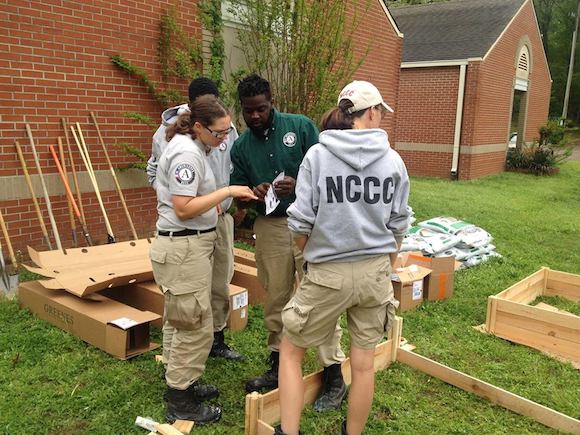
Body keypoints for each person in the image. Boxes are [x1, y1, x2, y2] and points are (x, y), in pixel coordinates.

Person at [277, 81, 410, 435]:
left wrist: (306, 258)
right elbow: (399, 223)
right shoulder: (393, 161)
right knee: (363, 364)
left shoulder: (317, 157)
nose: (381, 117)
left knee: (291, 351)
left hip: (327, 272)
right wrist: (388, 264)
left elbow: (300, 221)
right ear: (369, 113)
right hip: (374, 273)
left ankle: (288, 432)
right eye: (380, 111)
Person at [231, 74, 347, 411]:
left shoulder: (301, 127)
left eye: (261, 109)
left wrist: (299, 183)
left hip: (311, 225)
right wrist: (253, 194)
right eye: (248, 111)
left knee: (321, 295)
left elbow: (329, 172)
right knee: (277, 295)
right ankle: (278, 363)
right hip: (270, 227)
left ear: (272, 102)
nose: (255, 117)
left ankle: (333, 373)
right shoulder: (241, 147)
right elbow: (238, 194)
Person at [150, 95, 256, 424]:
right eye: (220, 133)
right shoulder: (186, 154)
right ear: (199, 127)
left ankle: (180, 380)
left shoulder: (195, 147)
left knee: (181, 318)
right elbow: (183, 207)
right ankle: (180, 398)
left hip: (187, 247)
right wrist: (228, 192)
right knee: (194, 324)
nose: (224, 139)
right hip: (184, 250)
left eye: (227, 132)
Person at [148, 77, 244, 362]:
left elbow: (233, 164)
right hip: (186, 230)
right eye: (219, 134)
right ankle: (180, 380)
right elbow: (177, 198)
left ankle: (214, 338)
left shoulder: (222, 130)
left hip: (216, 221)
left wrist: (223, 200)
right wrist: (175, 195)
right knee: (188, 300)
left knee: (216, 284)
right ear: (196, 119)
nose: (223, 139)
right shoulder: (178, 145)